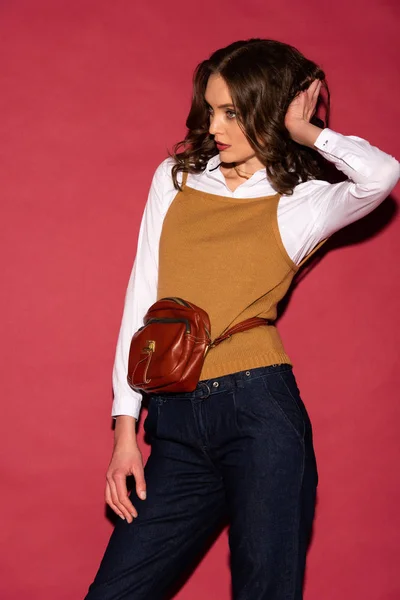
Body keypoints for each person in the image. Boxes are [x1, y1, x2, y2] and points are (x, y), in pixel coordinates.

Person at [85, 39, 399, 600]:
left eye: (232, 111)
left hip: (260, 416)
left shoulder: (301, 202)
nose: (216, 126)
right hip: (175, 423)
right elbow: (143, 298)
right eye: (211, 109)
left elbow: (381, 175)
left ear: (271, 109)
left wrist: (306, 132)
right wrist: (125, 431)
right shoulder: (176, 180)